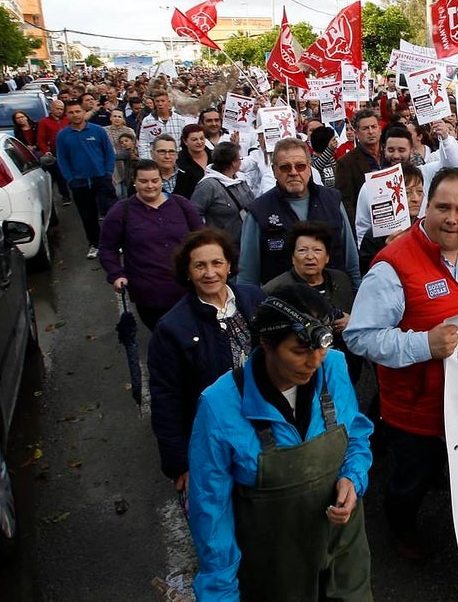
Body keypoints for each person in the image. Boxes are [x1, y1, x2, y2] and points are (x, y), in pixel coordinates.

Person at [343, 169, 458, 598]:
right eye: (443, 207)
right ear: (425, 206)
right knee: (408, 484)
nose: (452, 218)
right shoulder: (393, 265)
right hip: (415, 411)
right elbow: (359, 336)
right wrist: (422, 345)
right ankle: (401, 529)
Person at [188, 284, 373, 602]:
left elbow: (356, 435)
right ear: (266, 344)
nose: (314, 362)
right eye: (299, 352)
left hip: (344, 551)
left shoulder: (335, 367)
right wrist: (220, 594)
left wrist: (352, 479)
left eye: (320, 349)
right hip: (274, 568)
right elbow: (211, 512)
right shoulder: (219, 406)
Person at [147, 229, 266, 501]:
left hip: (264, 427)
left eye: (216, 263)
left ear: (229, 266)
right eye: (199, 265)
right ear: (187, 272)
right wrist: (180, 464)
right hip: (214, 437)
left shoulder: (254, 298)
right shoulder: (171, 328)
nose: (209, 272)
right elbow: (166, 399)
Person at [99, 159, 205, 330]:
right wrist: (116, 274)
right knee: (167, 341)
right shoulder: (121, 211)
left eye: (155, 180)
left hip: (188, 288)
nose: (150, 186)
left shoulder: (181, 204)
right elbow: (107, 248)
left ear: (161, 180)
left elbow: (202, 239)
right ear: (134, 181)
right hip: (150, 295)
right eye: (143, 181)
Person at [239, 138, 361, 287]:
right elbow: (247, 277)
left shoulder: (332, 201)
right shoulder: (259, 211)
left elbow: (351, 262)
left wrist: (355, 297)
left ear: (309, 168)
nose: (293, 172)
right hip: (283, 305)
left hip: (334, 301)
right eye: (285, 167)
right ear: (274, 170)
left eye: (300, 166)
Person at [264, 221, 361, 384]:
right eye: (302, 250)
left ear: (327, 257)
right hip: (300, 371)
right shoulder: (275, 289)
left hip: (344, 367)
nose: (310, 257)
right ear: (292, 257)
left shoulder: (341, 280)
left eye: (317, 250)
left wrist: (352, 320)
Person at [351, 122, 458, 244]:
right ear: (384, 150)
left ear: (412, 151)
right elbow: (363, 228)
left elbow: (453, 167)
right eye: (391, 150)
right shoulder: (371, 186)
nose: (396, 155)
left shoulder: (425, 173)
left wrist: (445, 139)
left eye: (401, 150)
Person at [56, 98, 117, 259]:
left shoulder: (98, 131)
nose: (75, 115)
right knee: (88, 216)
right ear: (66, 115)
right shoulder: (63, 136)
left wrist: (108, 172)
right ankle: (95, 244)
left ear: (84, 112)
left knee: (111, 213)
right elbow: (62, 160)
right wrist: (70, 179)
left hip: (101, 178)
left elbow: (109, 153)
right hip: (80, 183)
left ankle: (116, 243)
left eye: (78, 111)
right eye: (71, 112)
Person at [358, 163, 425, 273]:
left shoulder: (425, 228)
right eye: (407, 193)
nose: (416, 199)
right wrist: (388, 252)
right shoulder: (374, 236)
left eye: (420, 191)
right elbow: (369, 277)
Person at [191, 141, 255, 249]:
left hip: (245, 243)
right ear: (233, 163)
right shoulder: (208, 185)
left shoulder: (240, 180)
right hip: (222, 246)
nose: (241, 161)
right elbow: (194, 215)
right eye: (239, 159)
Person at [334, 109, 383, 225]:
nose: (371, 132)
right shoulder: (346, 162)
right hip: (367, 225)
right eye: (365, 128)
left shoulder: (390, 155)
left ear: (379, 130)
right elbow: (346, 202)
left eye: (373, 127)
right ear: (356, 133)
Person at [138, 89, 195, 158]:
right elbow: (144, 144)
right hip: (156, 159)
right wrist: (148, 161)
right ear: (154, 103)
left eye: (163, 101)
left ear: (168, 102)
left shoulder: (180, 119)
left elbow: (185, 141)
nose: (160, 104)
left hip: (176, 157)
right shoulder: (148, 120)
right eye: (157, 101)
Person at [37, 98, 72, 205]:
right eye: (57, 109)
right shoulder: (44, 122)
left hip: (71, 150)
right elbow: (41, 139)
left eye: (62, 109)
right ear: (51, 109)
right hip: (55, 151)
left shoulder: (68, 119)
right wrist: (46, 151)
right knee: (60, 174)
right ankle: (65, 196)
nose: (60, 111)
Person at [175, 123, 210, 199]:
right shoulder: (179, 160)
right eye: (194, 139)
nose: (199, 142)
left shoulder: (214, 156)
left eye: (202, 138)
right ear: (185, 141)